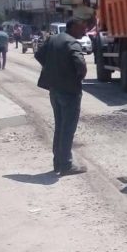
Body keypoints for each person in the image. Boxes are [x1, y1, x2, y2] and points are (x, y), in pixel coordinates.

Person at [35, 16, 88, 176]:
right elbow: (80, 65)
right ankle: (65, 164)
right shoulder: (72, 42)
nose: (85, 31)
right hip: (70, 91)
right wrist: (78, 76)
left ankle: (58, 162)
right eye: (82, 28)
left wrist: (52, 68)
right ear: (73, 28)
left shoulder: (53, 39)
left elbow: (39, 55)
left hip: (54, 89)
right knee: (68, 129)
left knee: (59, 126)